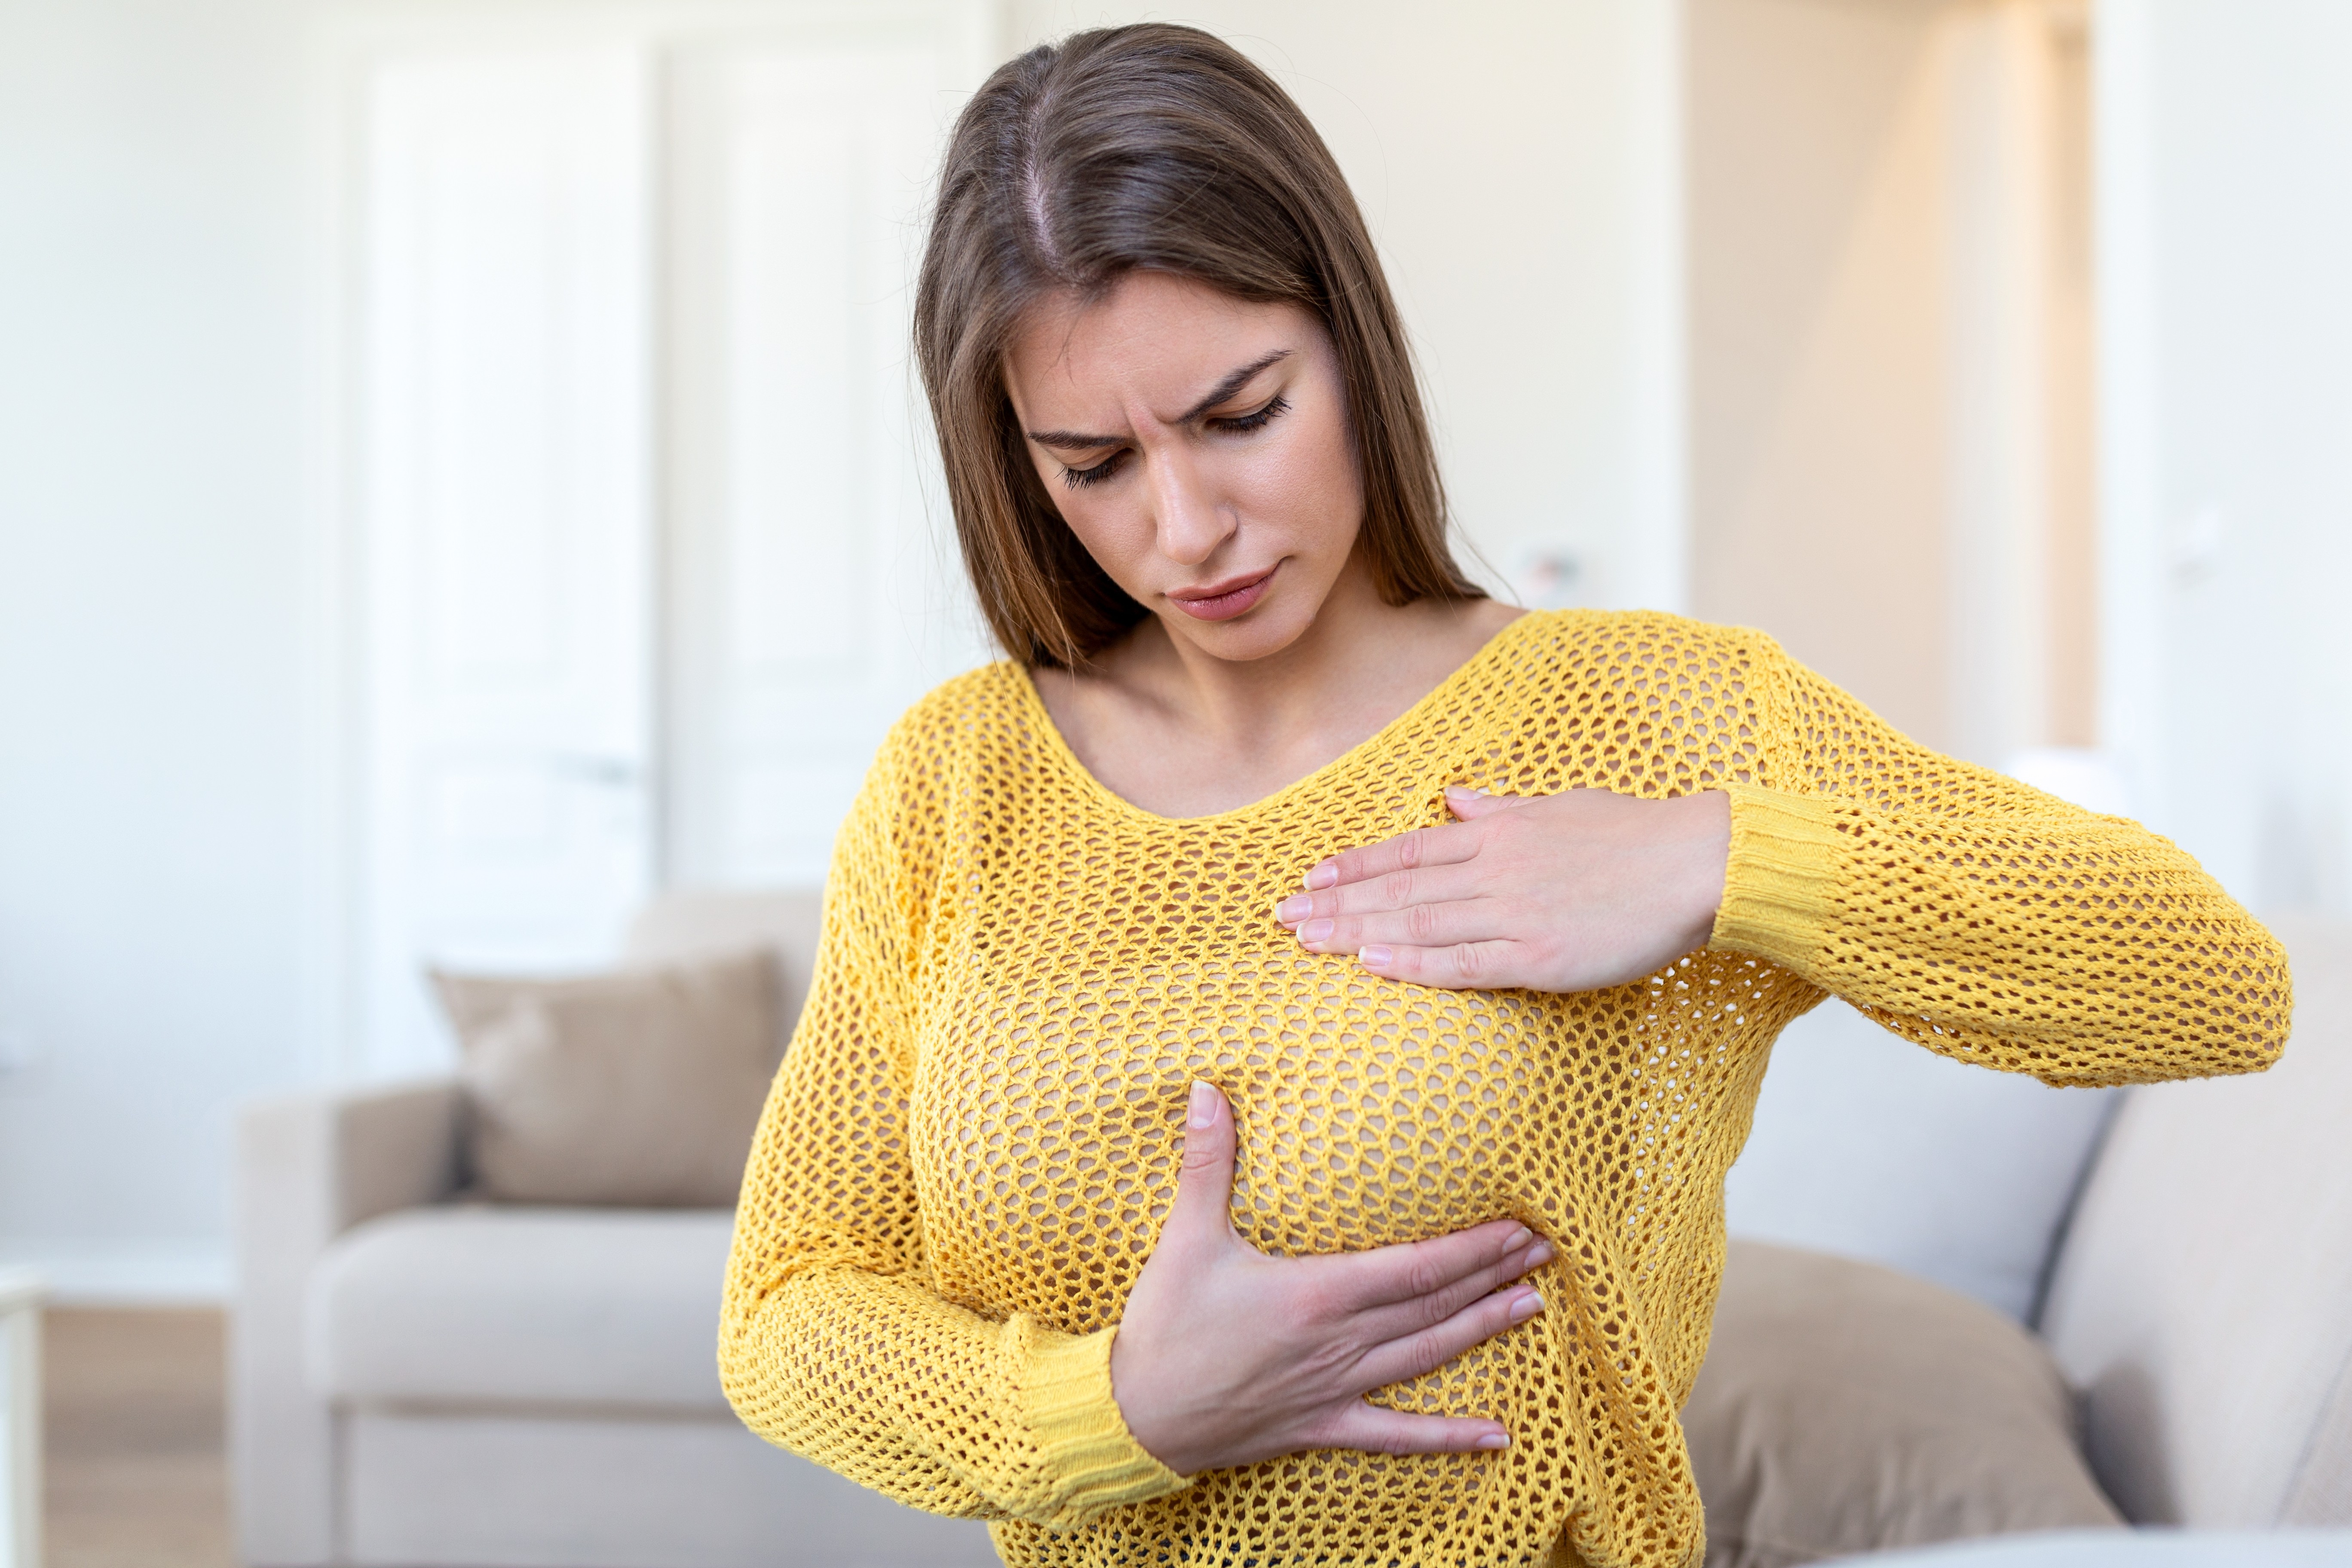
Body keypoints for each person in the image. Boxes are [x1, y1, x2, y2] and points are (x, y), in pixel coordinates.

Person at [717, 23, 2290, 1568]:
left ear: (1352, 342)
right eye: (1094, 464)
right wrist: (1120, 1408)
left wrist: (1721, 857)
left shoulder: (1653, 716)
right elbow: (786, 1311)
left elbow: (2211, 982)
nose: (1187, 527)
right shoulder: (955, 781)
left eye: (1241, 416)